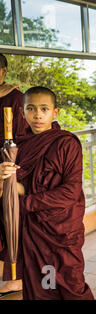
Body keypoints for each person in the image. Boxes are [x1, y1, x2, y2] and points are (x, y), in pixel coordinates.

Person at [0, 86, 93, 299]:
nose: (38, 115)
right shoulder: (19, 147)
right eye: (31, 109)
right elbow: (18, 187)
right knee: (41, 288)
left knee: (70, 286)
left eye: (44, 109)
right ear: (22, 113)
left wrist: (24, 203)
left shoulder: (66, 143)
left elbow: (71, 192)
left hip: (61, 230)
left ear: (55, 112)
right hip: (33, 231)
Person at [0, 53, 28, 298]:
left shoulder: (16, 98)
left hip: (9, 168)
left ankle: (14, 277)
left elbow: (22, 137)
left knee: (11, 223)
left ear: (4, 71)